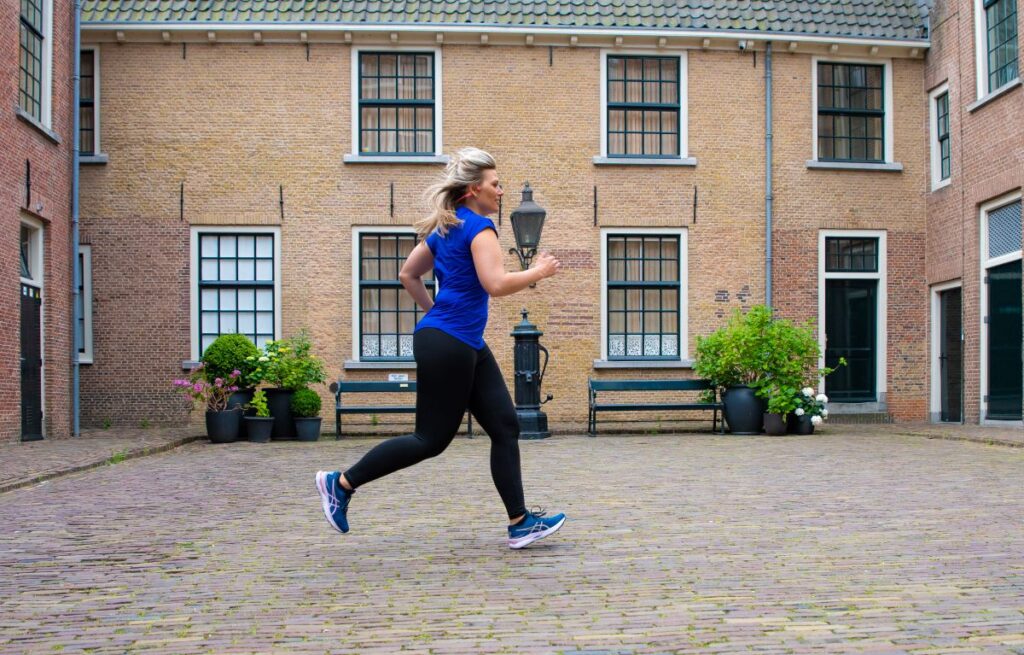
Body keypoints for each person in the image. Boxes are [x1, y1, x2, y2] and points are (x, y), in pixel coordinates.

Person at [316, 147, 565, 550]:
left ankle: (521, 523)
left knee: (505, 425)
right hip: (451, 341)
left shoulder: (445, 228)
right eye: (495, 185)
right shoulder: (480, 228)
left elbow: (407, 275)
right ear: (472, 190)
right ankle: (340, 483)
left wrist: (438, 317)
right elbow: (495, 284)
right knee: (430, 440)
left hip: (460, 340)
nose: (501, 192)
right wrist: (539, 271)